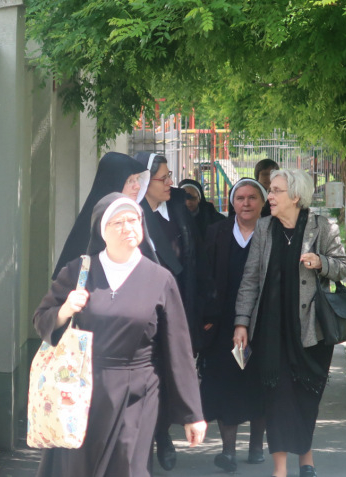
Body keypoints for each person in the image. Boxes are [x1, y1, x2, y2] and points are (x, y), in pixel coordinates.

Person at [33, 193, 206, 477]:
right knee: (77, 469)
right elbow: (42, 319)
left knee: (129, 466)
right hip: (80, 390)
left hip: (138, 392)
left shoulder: (160, 279)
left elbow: (179, 350)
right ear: (102, 230)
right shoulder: (78, 272)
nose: (128, 227)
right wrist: (64, 310)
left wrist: (192, 414)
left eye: (133, 220)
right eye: (118, 222)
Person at [233, 170, 346, 477]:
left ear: (296, 196)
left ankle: (306, 460)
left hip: (310, 332)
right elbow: (250, 279)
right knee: (277, 399)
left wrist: (321, 262)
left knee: (305, 398)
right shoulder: (264, 228)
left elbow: (343, 265)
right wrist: (241, 322)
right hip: (270, 331)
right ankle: (280, 470)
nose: (269, 196)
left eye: (276, 191)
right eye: (270, 190)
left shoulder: (322, 226)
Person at [132, 151, 205, 471]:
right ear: (145, 182)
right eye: (163, 178)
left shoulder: (177, 207)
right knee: (151, 374)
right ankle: (156, 436)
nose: (170, 183)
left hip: (178, 304)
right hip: (143, 311)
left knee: (170, 374)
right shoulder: (131, 214)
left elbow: (194, 255)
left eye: (170, 176)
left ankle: (162, 432)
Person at [199, 178, 268, 472]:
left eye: (252, 197)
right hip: (223, 321)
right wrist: (204, 317)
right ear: (232, 202)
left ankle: (256, 447)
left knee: (259, 382)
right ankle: (228, 451)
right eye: (240, 198)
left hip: (263, 320)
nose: (246, 203)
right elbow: (203, 277)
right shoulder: (217, 232)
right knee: (225, 382)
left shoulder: (272, 232)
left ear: (263, 202)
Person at [52, 151, 150, 280]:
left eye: (137, 179)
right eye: (130, 181)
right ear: (114, 182)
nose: (137, 186)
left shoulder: (140, 216)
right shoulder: (91, 224)